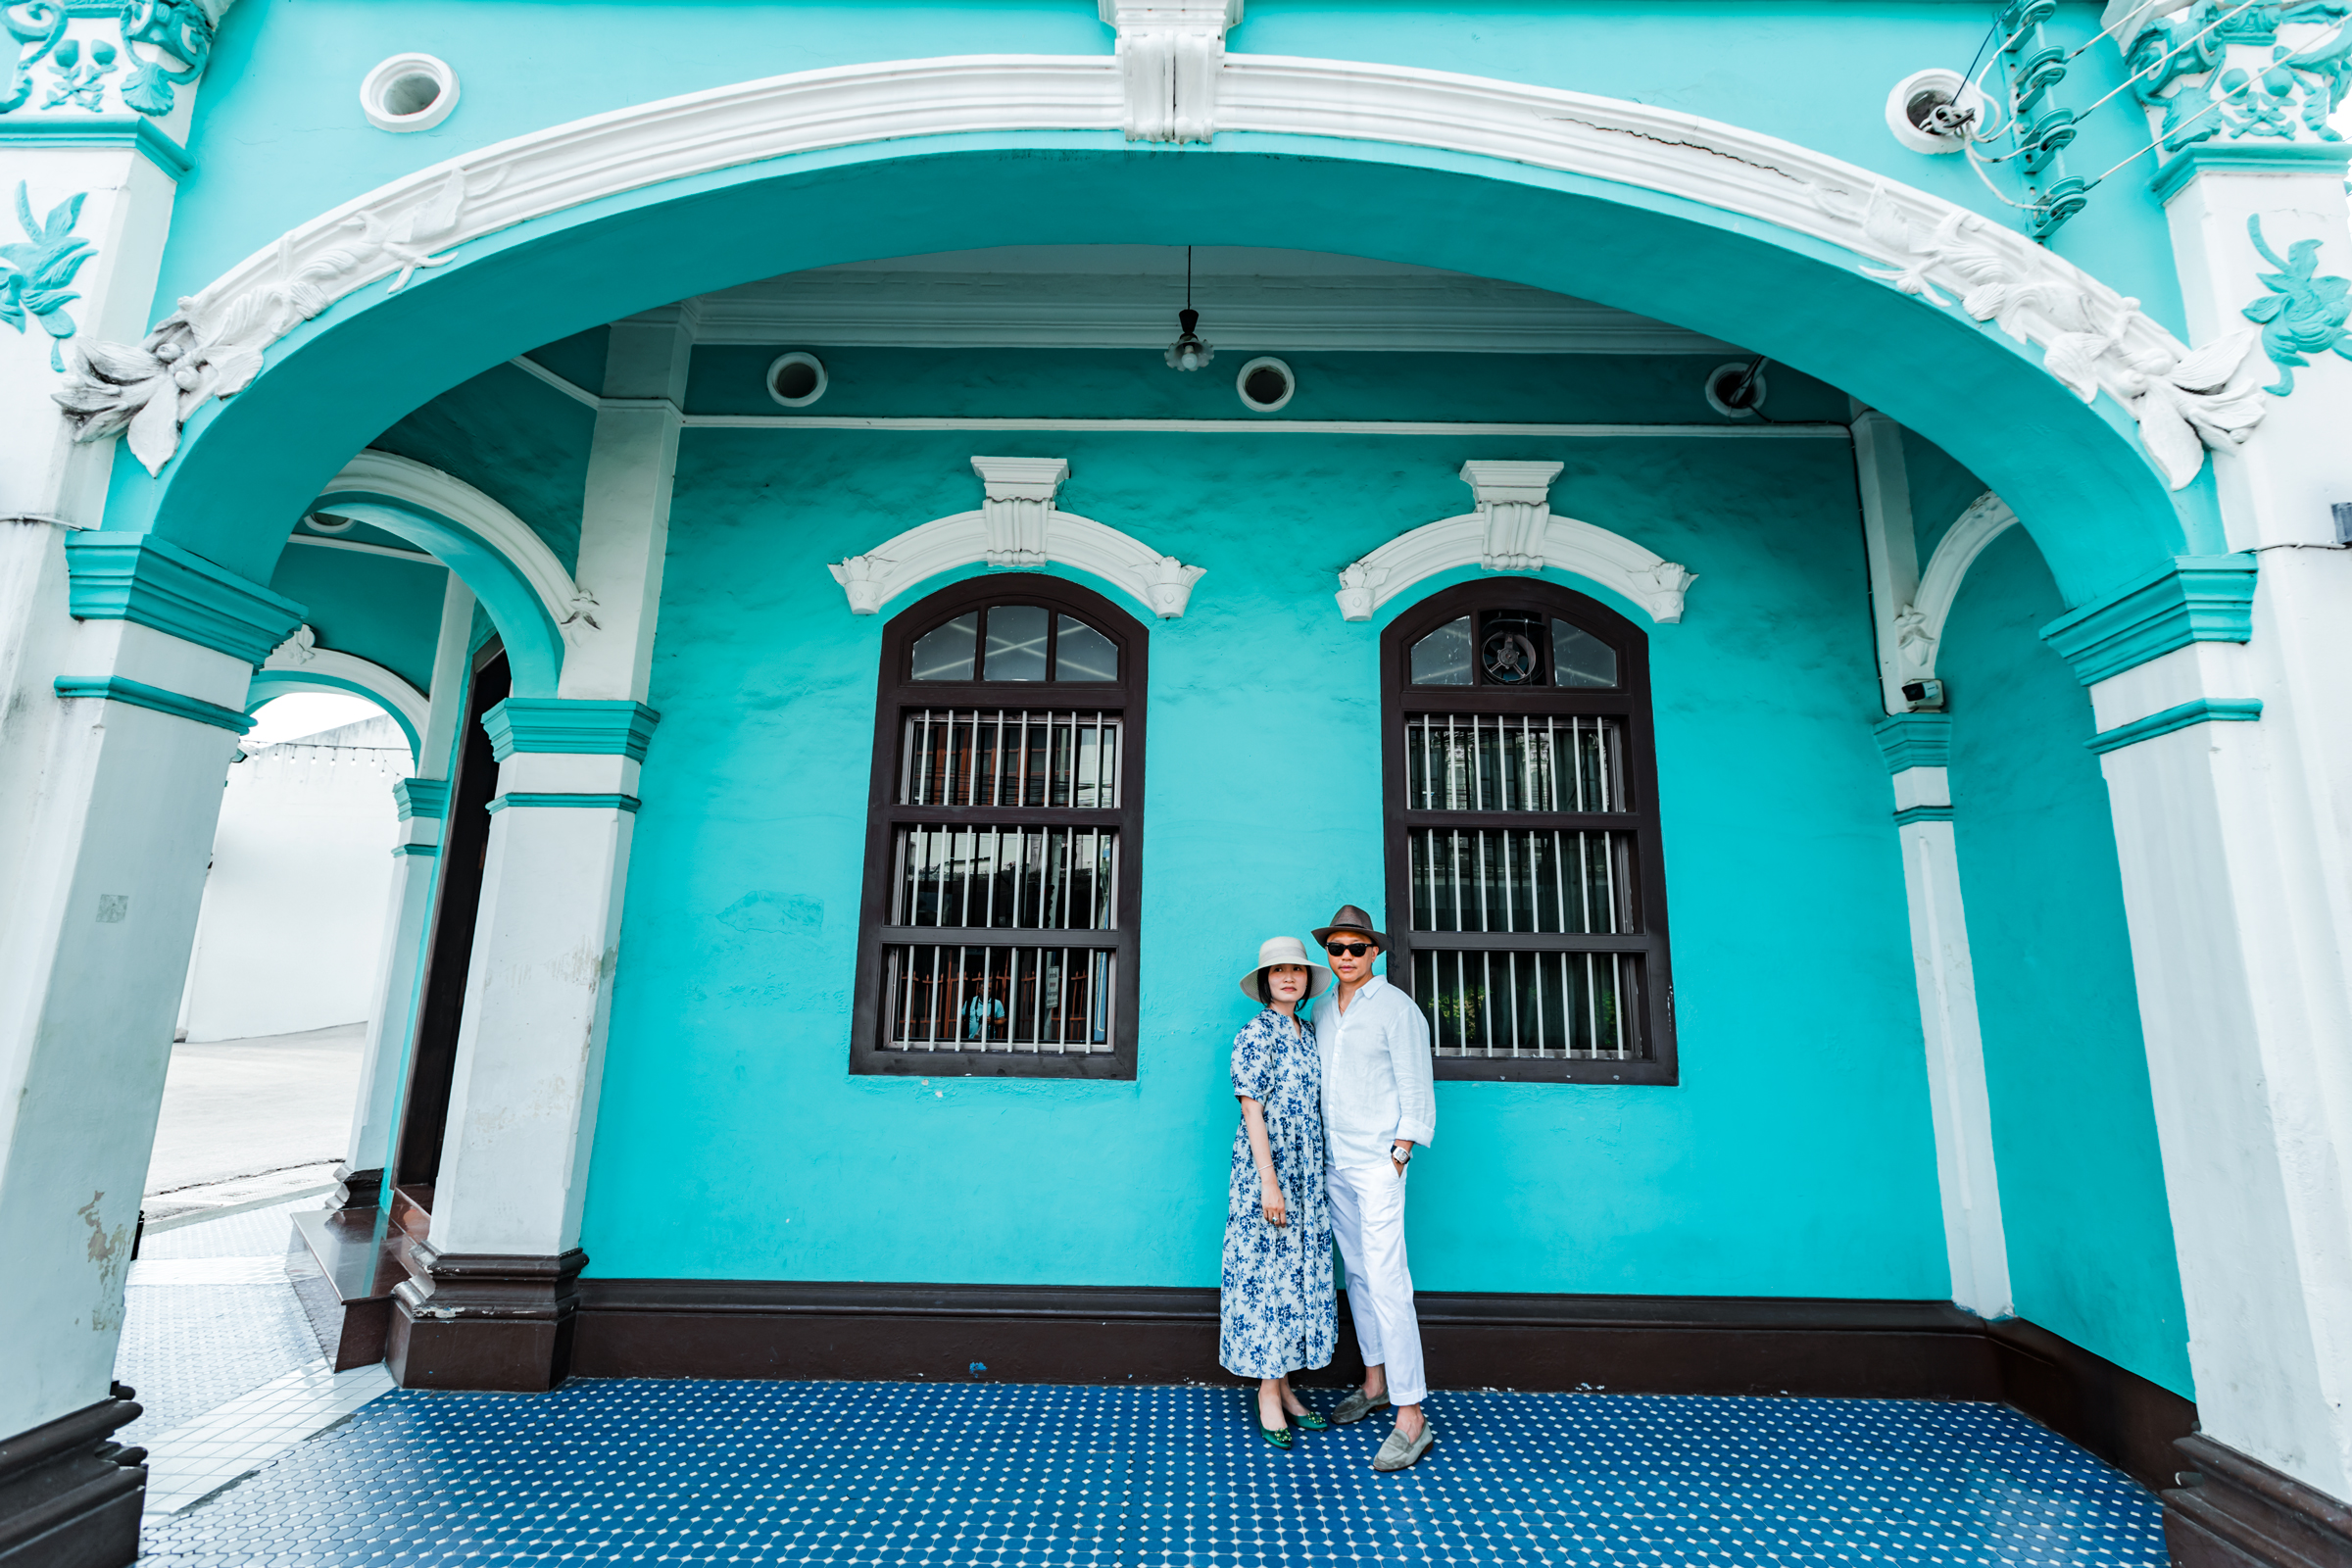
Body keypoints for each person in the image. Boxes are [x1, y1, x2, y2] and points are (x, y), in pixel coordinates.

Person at [1314, 904, 1438, 1473]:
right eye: (1335, 948)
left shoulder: (1397, 1009)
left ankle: (1412, 1417)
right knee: (1358, 1274)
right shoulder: (1321, 1011)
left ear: (1375, 952)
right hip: (1335, 1164)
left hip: (1378, 1165)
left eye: (1355, 948)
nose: (1344, 958)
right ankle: (1376, 1382)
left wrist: (1400, 1154)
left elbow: (1417, 1091)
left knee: (1389, 1281)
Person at [1218, 936, 1338, 1449]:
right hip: (1269, 1174)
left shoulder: (1308, 1032)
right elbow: (1251, 1110)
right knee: (1269, 1279)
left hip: (1307, 1175)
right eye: (1277, 970)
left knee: (1294, 1279)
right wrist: (1270, 1181)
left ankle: (1285, 1386)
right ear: (1265, 981)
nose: (1288, 977)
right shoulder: (1255, 1034)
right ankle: (1269, 1394)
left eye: (1297, 969)